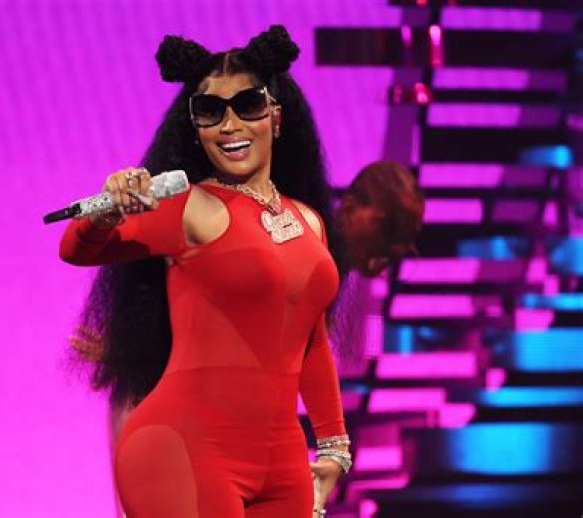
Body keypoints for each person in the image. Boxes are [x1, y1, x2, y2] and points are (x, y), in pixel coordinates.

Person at [60, 26, 421, 518]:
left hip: (280, 462)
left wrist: (334, 448)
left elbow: (311, 341)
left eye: (248, 105)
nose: (230, 125)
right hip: (184, 448)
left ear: (276, 115)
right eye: (211, 111)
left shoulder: (309, 221)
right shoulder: (191, 206)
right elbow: (77, 249)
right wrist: (107, 209)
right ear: (195, 127)